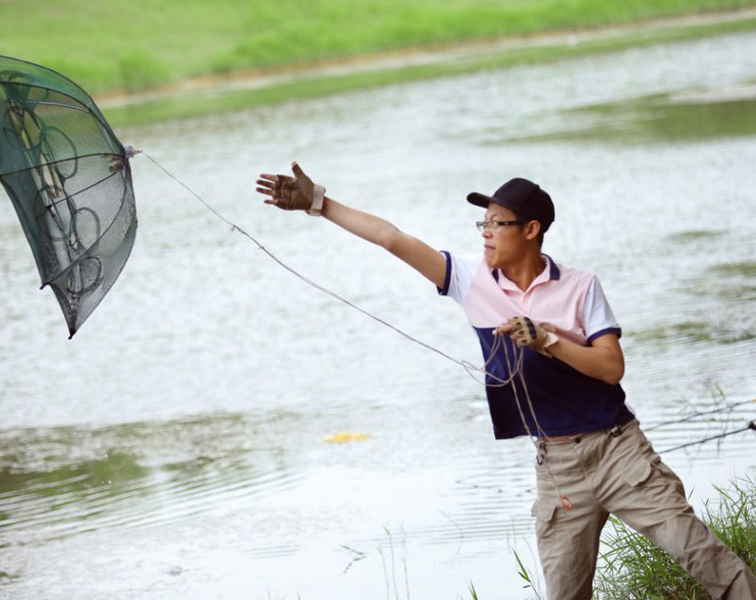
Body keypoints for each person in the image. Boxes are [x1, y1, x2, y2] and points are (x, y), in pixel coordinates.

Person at [255, 162, 756, 600]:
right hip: (557, 468)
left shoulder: (580, 286)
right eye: (483, 222)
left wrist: (549, 340)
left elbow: (611, 367)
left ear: (532, 229)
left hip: (619, 452)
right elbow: (393, 238)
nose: (485, 233)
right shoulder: (469, 279)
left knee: (703, 556)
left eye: (497, 223)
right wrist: (319, 203)